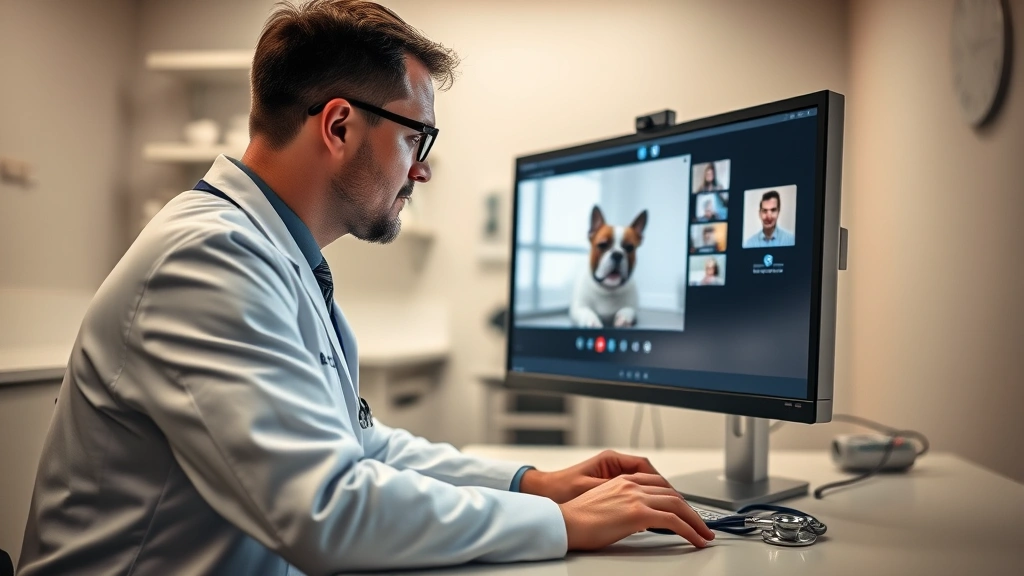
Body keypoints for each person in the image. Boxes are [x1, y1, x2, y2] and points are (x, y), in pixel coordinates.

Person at [16, 1, 713, 574]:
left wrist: (534, 484)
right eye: (419, 139)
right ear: (340, 125)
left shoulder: (271, 254)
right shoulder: (208, 258)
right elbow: (327, 508)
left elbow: (362, 448)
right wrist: (558, 523)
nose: (423, 171)